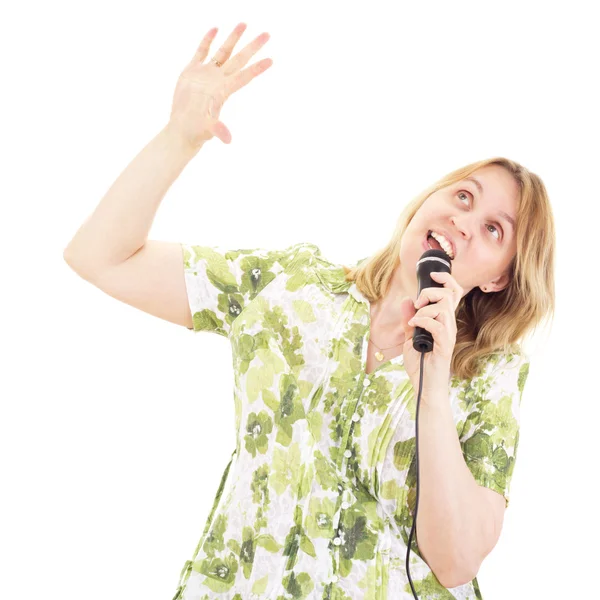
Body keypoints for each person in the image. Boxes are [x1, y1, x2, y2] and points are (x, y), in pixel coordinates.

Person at [63, 22, 556, 600]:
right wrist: (180, 137)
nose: (463, 222)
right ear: (430, 201)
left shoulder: (490, 373)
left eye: (494, 229)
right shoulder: (289, 287)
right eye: (463, 196)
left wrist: (431, 390)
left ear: (501, 276)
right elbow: (100, 257)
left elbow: (456, 563)